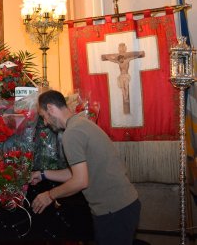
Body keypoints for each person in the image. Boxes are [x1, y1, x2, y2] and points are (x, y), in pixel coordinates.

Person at [30, 89, 140, 245]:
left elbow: (80, 181)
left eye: (44, 116)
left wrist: (49, 195)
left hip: (114, 210)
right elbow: (76, 173)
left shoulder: (72, 133)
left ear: (51, 108)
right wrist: (42, 174)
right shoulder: (81, 123)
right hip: (123, 206)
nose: (45, 122)